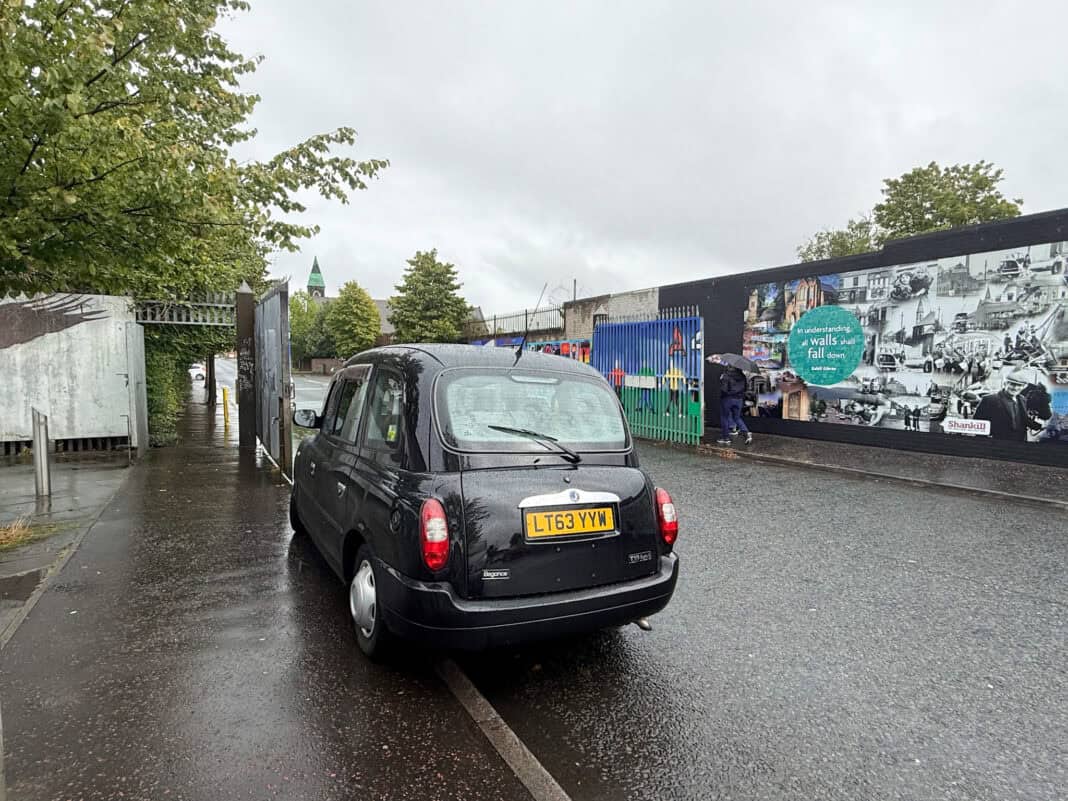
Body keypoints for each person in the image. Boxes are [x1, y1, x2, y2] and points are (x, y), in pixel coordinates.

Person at [974, 369, 1031, 441]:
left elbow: (1023, 419)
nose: (1015, 388)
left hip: (1019, 440)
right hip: (997, 441)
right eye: (1012, 384)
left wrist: (1041, 426)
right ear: (1005, 384)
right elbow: (979, 423)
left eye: (1019, 385)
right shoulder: (989, 400)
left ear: (1023, 387)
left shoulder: (1023, 399)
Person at [716, 364, 750, 445]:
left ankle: (726, 438)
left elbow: (724, 389)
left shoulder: (726, 376)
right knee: (737, 418)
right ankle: (747, 433)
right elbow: (745, 388)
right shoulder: (743, 376)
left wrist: (722, 379)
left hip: (728, 399)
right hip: (739, 400)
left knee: (724, 417)